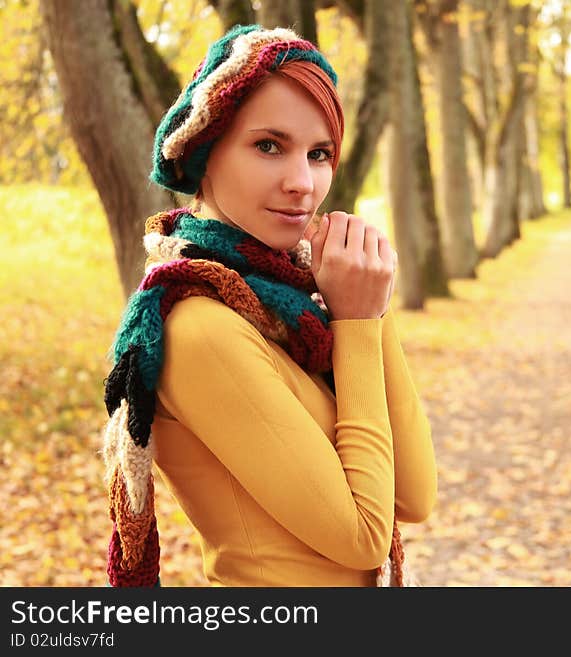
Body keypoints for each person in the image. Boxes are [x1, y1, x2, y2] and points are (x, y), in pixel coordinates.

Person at [100, 24, 437, 587]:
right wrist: (354, 321)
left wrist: (368, 309)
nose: (302, 182)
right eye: (268, 146)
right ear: (203, 155)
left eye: (320, 153)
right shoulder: (195, 326)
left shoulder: (300, 305)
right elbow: (363, 537)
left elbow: (416, 494)